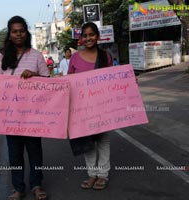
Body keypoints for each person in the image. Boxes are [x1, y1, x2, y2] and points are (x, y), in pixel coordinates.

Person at [0, 16, 49, 200]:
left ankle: (36, 185)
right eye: (15, 31)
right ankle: (18, 188)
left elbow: (48, 83)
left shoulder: (36, 55)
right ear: (9, 34)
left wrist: (34, 75)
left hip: (33, 115)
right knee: (14, 155)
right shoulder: (2, 56)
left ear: (27, 32)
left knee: (35, 153)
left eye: (22, 31)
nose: (18, 34)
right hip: (11, 116)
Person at [68, 22, 113, 190]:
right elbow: (69, 84)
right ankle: (92, 174)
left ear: (97, 36)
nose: (88, 38)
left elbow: (113, 79)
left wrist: (129, 81)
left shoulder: (105, 56)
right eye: (85, 35)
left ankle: (103, 175)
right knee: (87, 141)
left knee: (102, 140)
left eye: (91, 34)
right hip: (82, 109)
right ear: (81, 38)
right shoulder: (74, 58)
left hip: (102, 106)